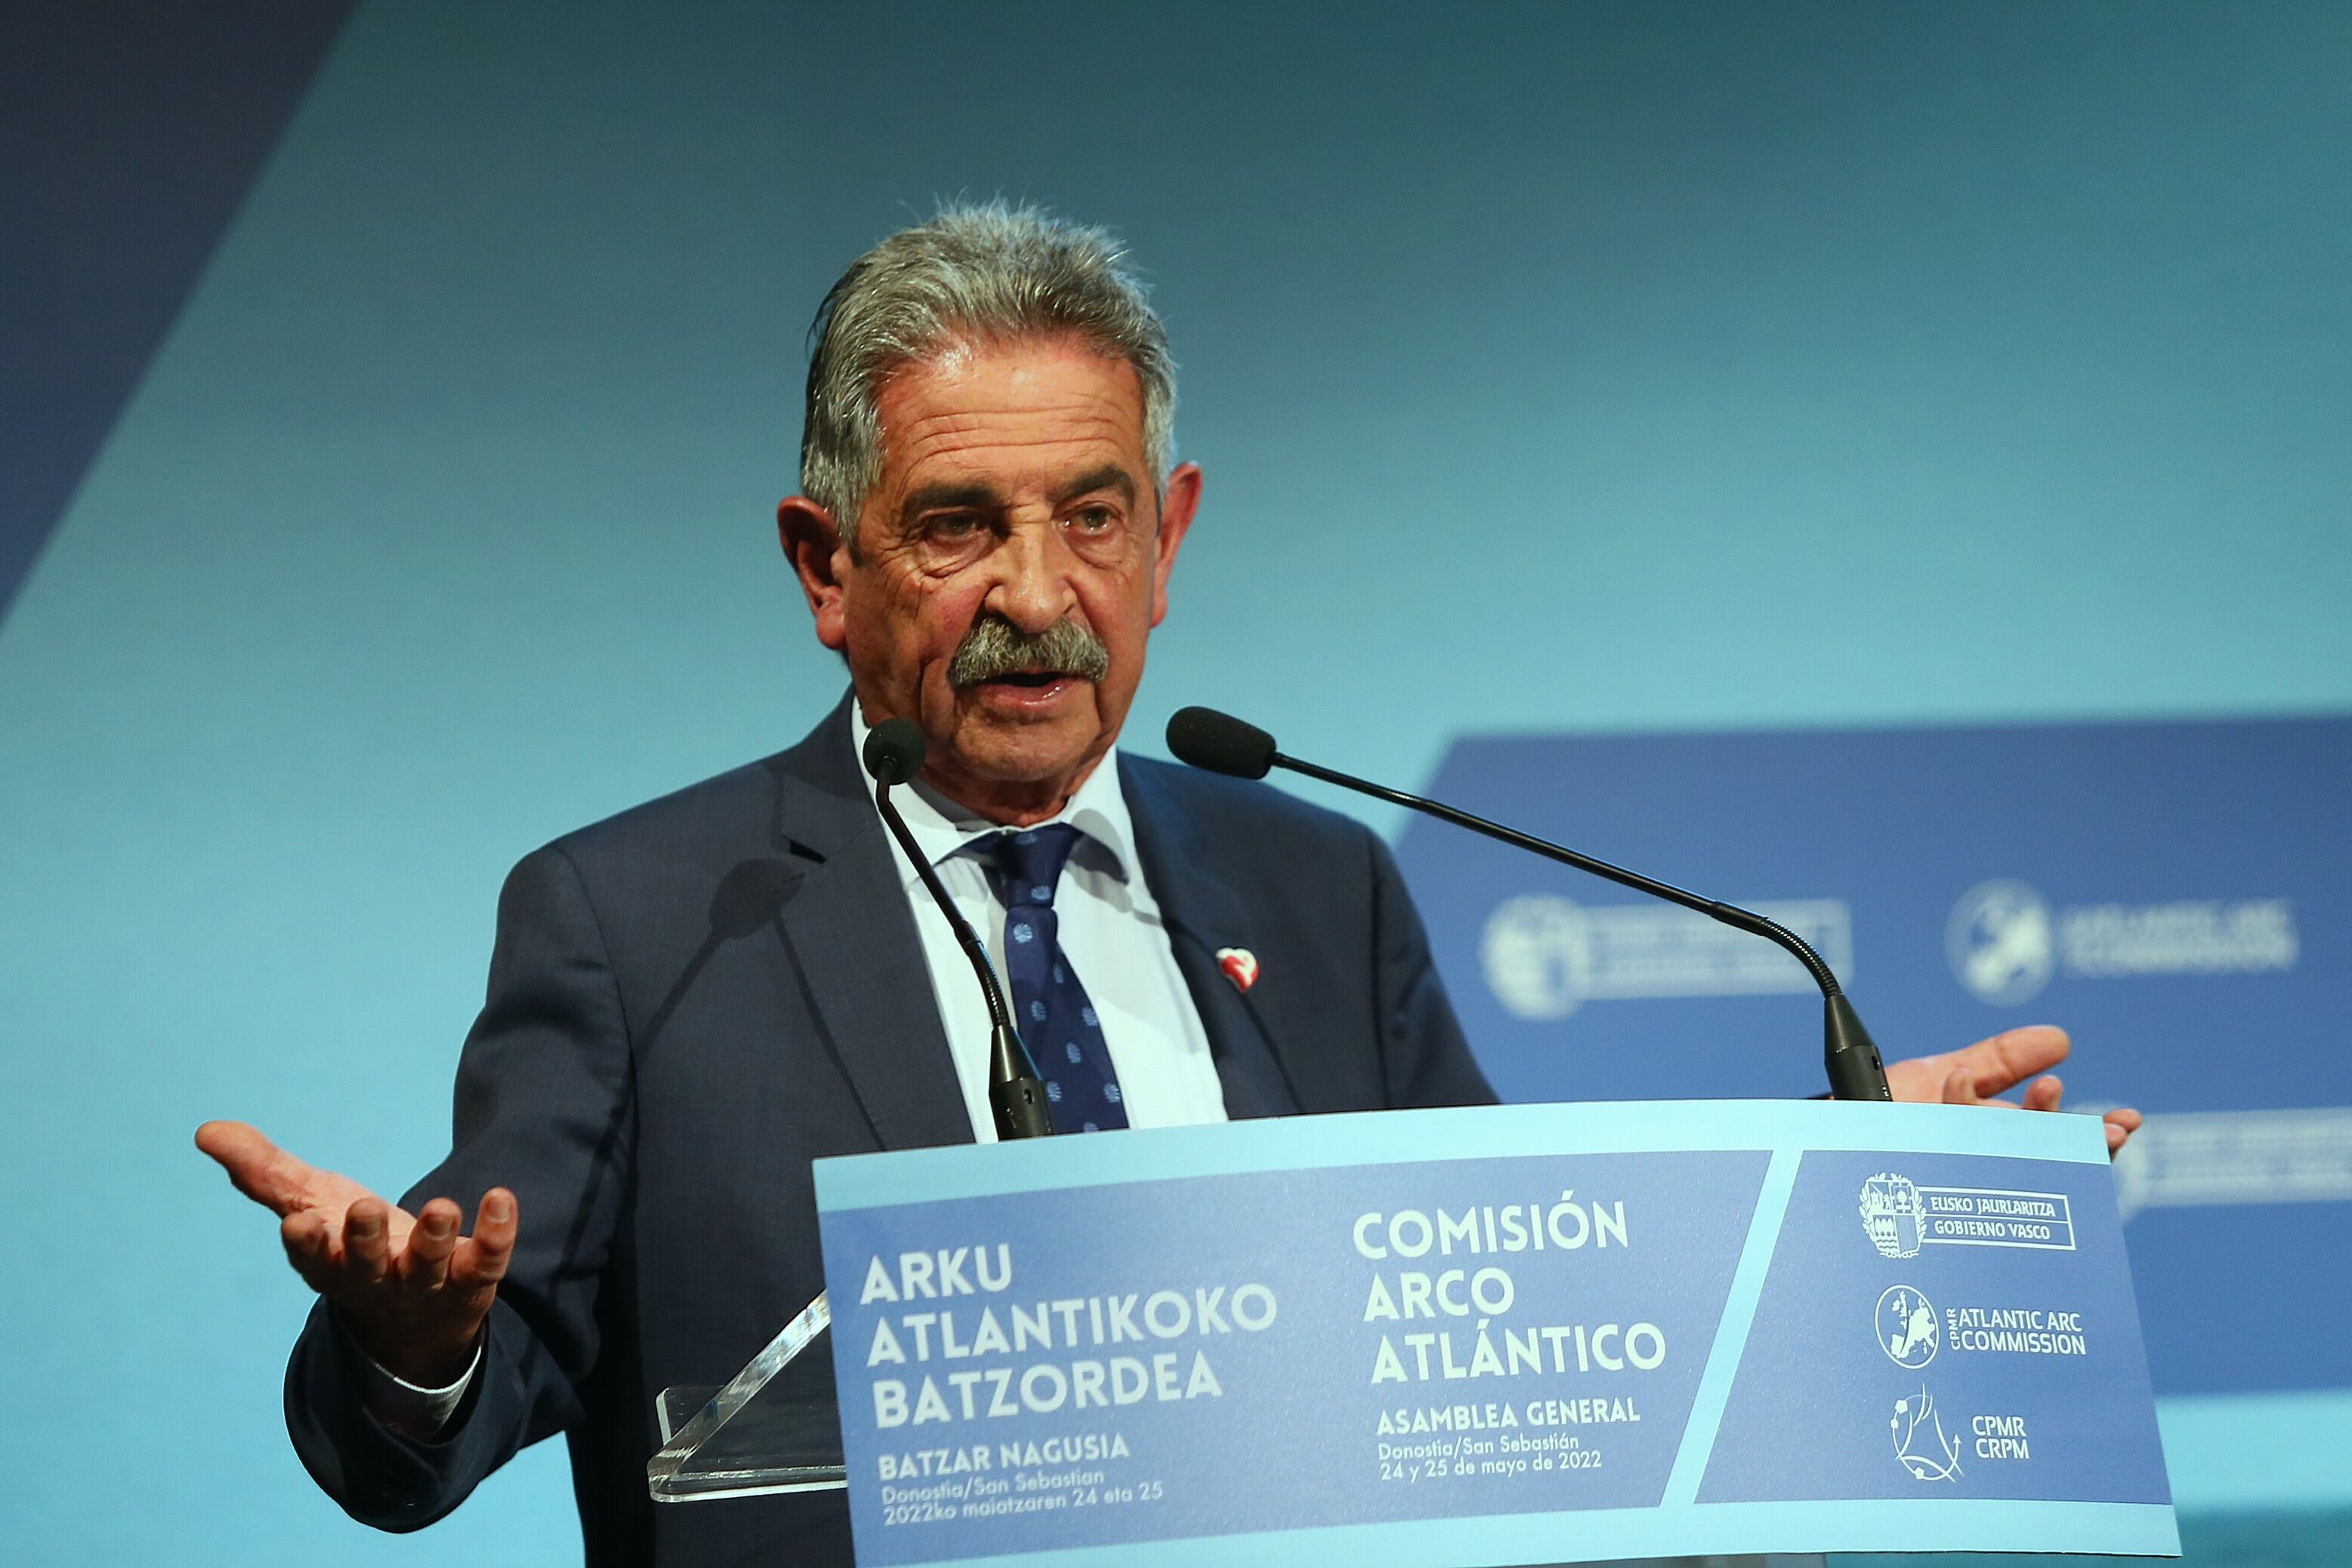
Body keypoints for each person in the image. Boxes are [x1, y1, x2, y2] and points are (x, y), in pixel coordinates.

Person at [196, 203, 2141, 1566]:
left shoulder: (1320, 891)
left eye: (1092, 517)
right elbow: (424, 1437)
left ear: (1170, 532)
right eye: (958, 527)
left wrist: (1824, 1225)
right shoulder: (637, 923)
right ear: (825, 563)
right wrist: (413, 1341)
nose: (1037, 599)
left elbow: (1510, 1371)